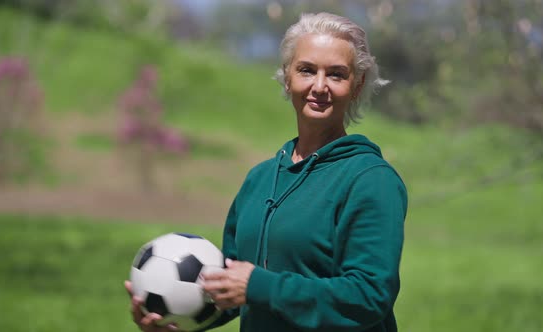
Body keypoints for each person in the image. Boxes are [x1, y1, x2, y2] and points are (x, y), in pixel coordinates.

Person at [125, 12, 408, 332]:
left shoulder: (370, 178)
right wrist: (174, 318)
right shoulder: (259, 180)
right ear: (287, 77)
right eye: (306, 70)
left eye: (336, 75)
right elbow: (233, 288)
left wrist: (261, 286)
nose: (319, 86)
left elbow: (369, 296)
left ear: (356, 86)